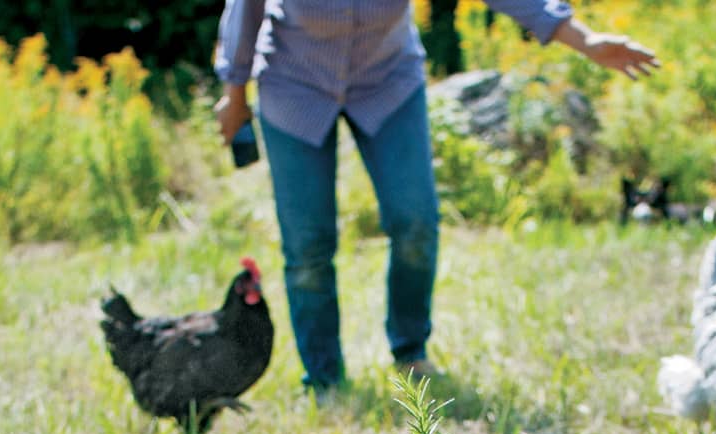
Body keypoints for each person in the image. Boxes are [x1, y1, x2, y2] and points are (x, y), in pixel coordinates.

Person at [213, 0, 657, 393]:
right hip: (295, 85)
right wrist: (234, 94)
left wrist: (585, 40)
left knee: (416, 221)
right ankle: (324, 378)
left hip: (387, 82)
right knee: (308, 243)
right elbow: (245, 7)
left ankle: (410, 352)